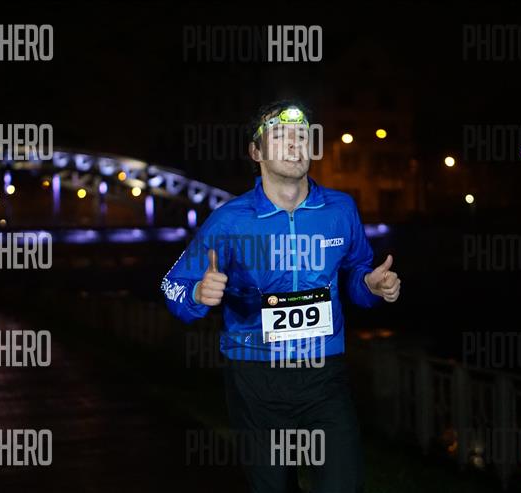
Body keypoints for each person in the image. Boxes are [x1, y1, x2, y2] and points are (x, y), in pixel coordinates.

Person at [161, 99, 400, 492]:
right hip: (255, 378)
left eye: (302, 135)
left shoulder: (340, 209)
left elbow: (357, 274)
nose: (294, 143)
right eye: (280, 135)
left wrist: (371, 286)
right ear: (256, 152)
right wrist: (198, 294)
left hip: (324, 374)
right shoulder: (229, 220)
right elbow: (172, 285)